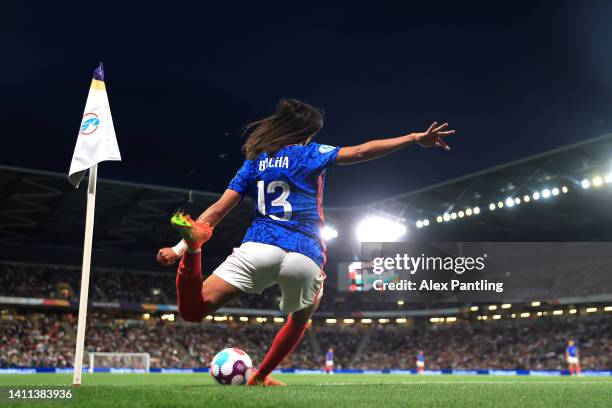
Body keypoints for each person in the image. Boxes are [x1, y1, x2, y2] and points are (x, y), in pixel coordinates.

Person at [156, 98, 455, 386]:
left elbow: (219, 209)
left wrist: (181, 246)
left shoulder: (255, 162)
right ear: (306, 132)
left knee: (192, 310)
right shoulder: (311, 153)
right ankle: (260, 377)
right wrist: (415, 137)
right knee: (300, 320)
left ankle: (194, 250)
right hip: (305, 254)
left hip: (261, 246)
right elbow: (363, 151)